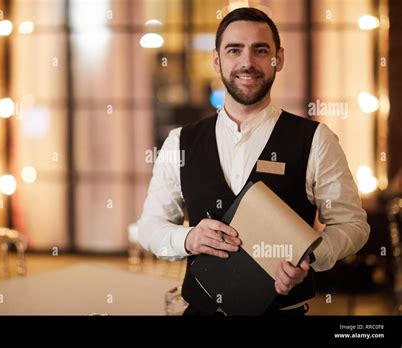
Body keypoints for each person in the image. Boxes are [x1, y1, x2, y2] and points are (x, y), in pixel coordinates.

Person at [138, 7, 370, 316]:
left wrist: (310, 255)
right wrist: (189, 238)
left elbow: (353, 225)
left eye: (260, 50)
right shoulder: (180, 142)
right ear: (217, 60)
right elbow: (149, 228)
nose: (247, 63)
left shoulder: (316, 139)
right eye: (235, 50)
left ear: (279, 58)